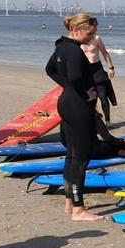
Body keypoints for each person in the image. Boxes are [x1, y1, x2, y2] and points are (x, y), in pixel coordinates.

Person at [45, 13, 102, 222]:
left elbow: (49, 69)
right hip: (78, 107)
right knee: (81, 158)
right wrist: (85, 92)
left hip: (66, 104)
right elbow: (77, 77)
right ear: (77, 29)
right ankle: (79, 209)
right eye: (90, 33)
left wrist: (68, 88)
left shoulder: (61, 47)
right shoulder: (75, 51)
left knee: (71, 154)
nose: (92, 37)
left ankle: (70, 202)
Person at [80, 17, 117, 126]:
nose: (96, 27)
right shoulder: (80, 39)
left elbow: (105, 53)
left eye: (96, 25)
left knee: (103, 96)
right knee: (90, 99)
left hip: (97, 70)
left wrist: (111, 68)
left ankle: (108, 121)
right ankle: (92, 121)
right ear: (87, 26)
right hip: (85, 71)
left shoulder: (97, 38)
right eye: (94, 25)